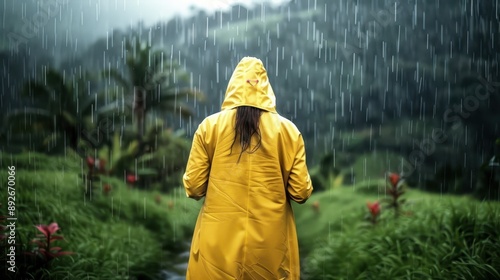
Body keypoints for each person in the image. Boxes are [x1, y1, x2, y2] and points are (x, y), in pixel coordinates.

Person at [183, 56, 313, 279]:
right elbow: (300, 192)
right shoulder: (289, 132)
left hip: (217, 250)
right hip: (270, 252)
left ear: (233, 85)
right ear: (265, 86)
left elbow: (194, 187)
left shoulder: (209, 127)